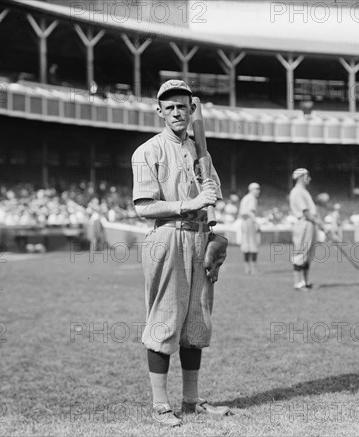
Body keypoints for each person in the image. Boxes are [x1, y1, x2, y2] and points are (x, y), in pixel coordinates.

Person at [131, 79, 230, 427]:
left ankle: (191, 400)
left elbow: (211, 195)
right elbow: (144, 206)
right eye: (169, 106)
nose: (176, 111)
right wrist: (191, 204)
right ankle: (161, 404)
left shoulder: (201, 152)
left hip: (199, 238)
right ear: (159, 111)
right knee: (165, 319)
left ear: (192, 110)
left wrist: (216, 234)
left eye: (182, 106)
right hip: (167, 237)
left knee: (196, 323)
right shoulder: (147, 151)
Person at [289, 168, 322, 292]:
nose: (309, 178)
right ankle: (298, 283)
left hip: (310, 224)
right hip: (304, 224)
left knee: (308, 254)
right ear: (301, 177)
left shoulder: (304, 191)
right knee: (301, 252)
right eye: (307, 176)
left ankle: (305, 281)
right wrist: (319, 222)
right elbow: (306, 212)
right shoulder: (297, 192)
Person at [238, 182, 261, 274]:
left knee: (246, 246)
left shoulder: (245, 198)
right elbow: (251, 212)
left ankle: (247, 268)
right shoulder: (252, 198)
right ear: (251, 189)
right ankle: (254, 269)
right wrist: (256, 223)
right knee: (253, 245)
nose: (258, 191)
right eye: (257, 189)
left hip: (244, 222)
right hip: (249, 221)